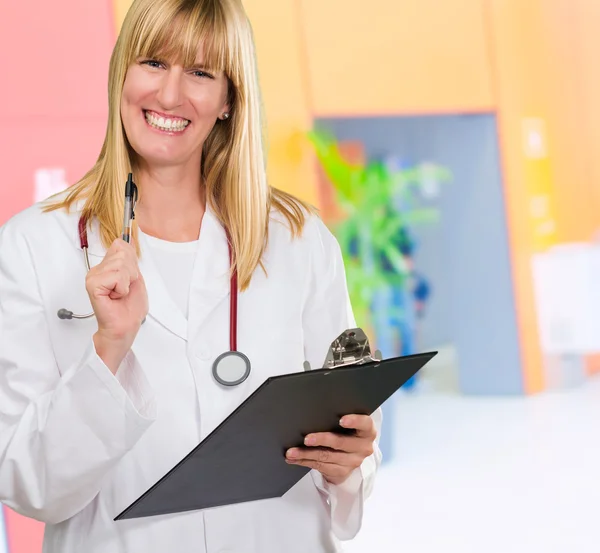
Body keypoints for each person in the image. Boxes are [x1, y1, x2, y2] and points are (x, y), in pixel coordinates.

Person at [0, 0, 382, 552]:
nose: (171, 95)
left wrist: (349, 466)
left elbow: (347, 449)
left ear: (229, 99)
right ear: (121, 74)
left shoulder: (298, 240)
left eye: (201, 73)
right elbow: (25, 484)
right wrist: (108, 350)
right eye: (153, 62)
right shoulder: (34, 246)